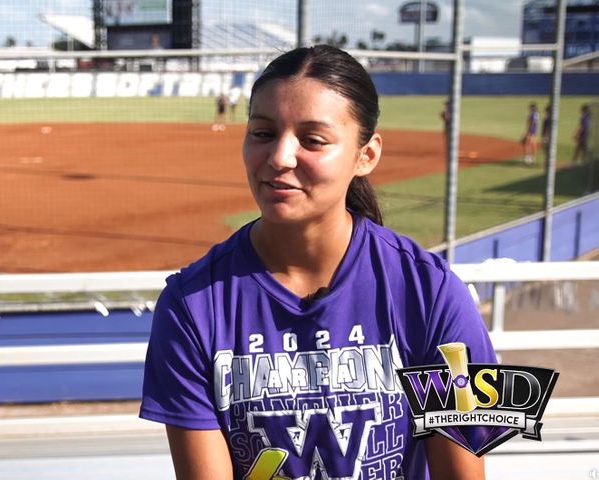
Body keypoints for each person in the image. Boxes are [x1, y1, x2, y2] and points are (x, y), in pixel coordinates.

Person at [140, 45, 496, 479]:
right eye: (263, 133)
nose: (279, 158)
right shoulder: (191, 305)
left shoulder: (432, 292)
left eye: (312, 140)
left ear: (366, 155)